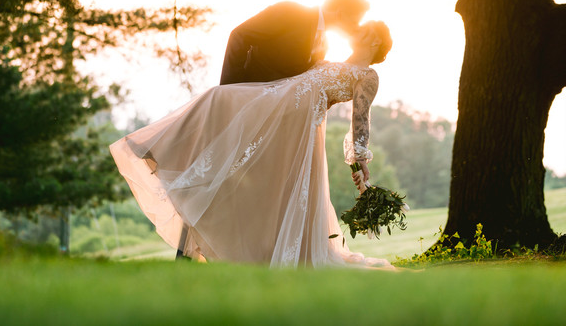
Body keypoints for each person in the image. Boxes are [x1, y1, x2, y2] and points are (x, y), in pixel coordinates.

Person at [109, 20, 393, 268]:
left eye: (366, 30)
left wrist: (359, 159)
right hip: (274, 97)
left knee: (250, 164)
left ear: (376, 40)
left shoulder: (367, 76)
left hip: (294, 124)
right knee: (217, 99)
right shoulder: (330, 59)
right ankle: (161, 148)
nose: (358, 31)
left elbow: (360, 118)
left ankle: (245, 242)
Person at [220, 0, 369, 85]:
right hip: (243, 97)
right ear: (340, 13)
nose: (354, 28)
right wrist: (231, 90)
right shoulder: (291, 12)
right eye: (355, 22)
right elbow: (239, 35)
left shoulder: (324, 45)